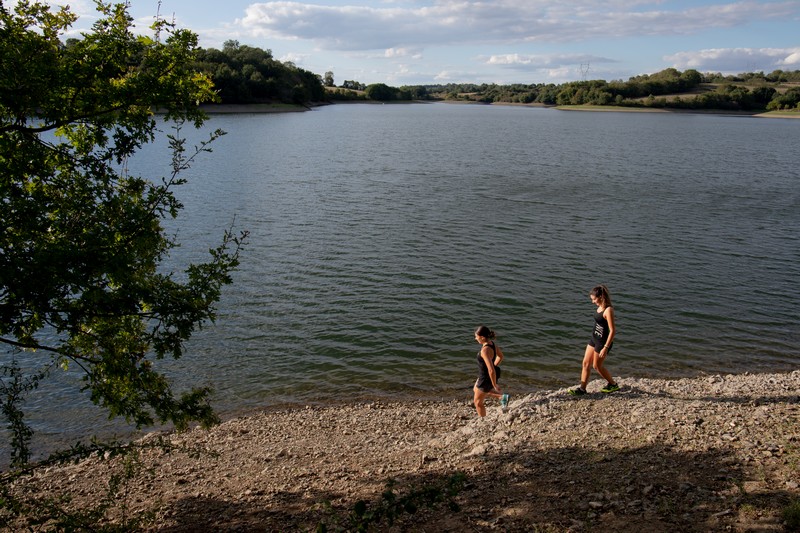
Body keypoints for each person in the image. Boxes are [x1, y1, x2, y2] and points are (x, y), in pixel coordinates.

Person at [569, 285, 620, 395]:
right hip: (594, 338)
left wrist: (605, 347)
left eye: (594, 299)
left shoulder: (608, 310)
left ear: (601, 297)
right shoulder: (600, 307)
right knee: (585, 363)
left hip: (603, 342)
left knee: (597, 366)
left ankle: (613, 384)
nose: (593, 302)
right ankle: (582, 389)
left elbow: (612, 331)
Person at [473, 325, 509, 416]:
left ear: (482, 337)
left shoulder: (485, 350)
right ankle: (502, 397)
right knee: (475, 389)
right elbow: (500, 356)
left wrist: (494, 385)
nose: (475, 338)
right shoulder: (492, 344)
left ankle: (483, 420)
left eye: (476, 336)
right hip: (484, 375)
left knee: (477, 403)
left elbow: (491, 370)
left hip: (486, 378)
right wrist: (494, 365)